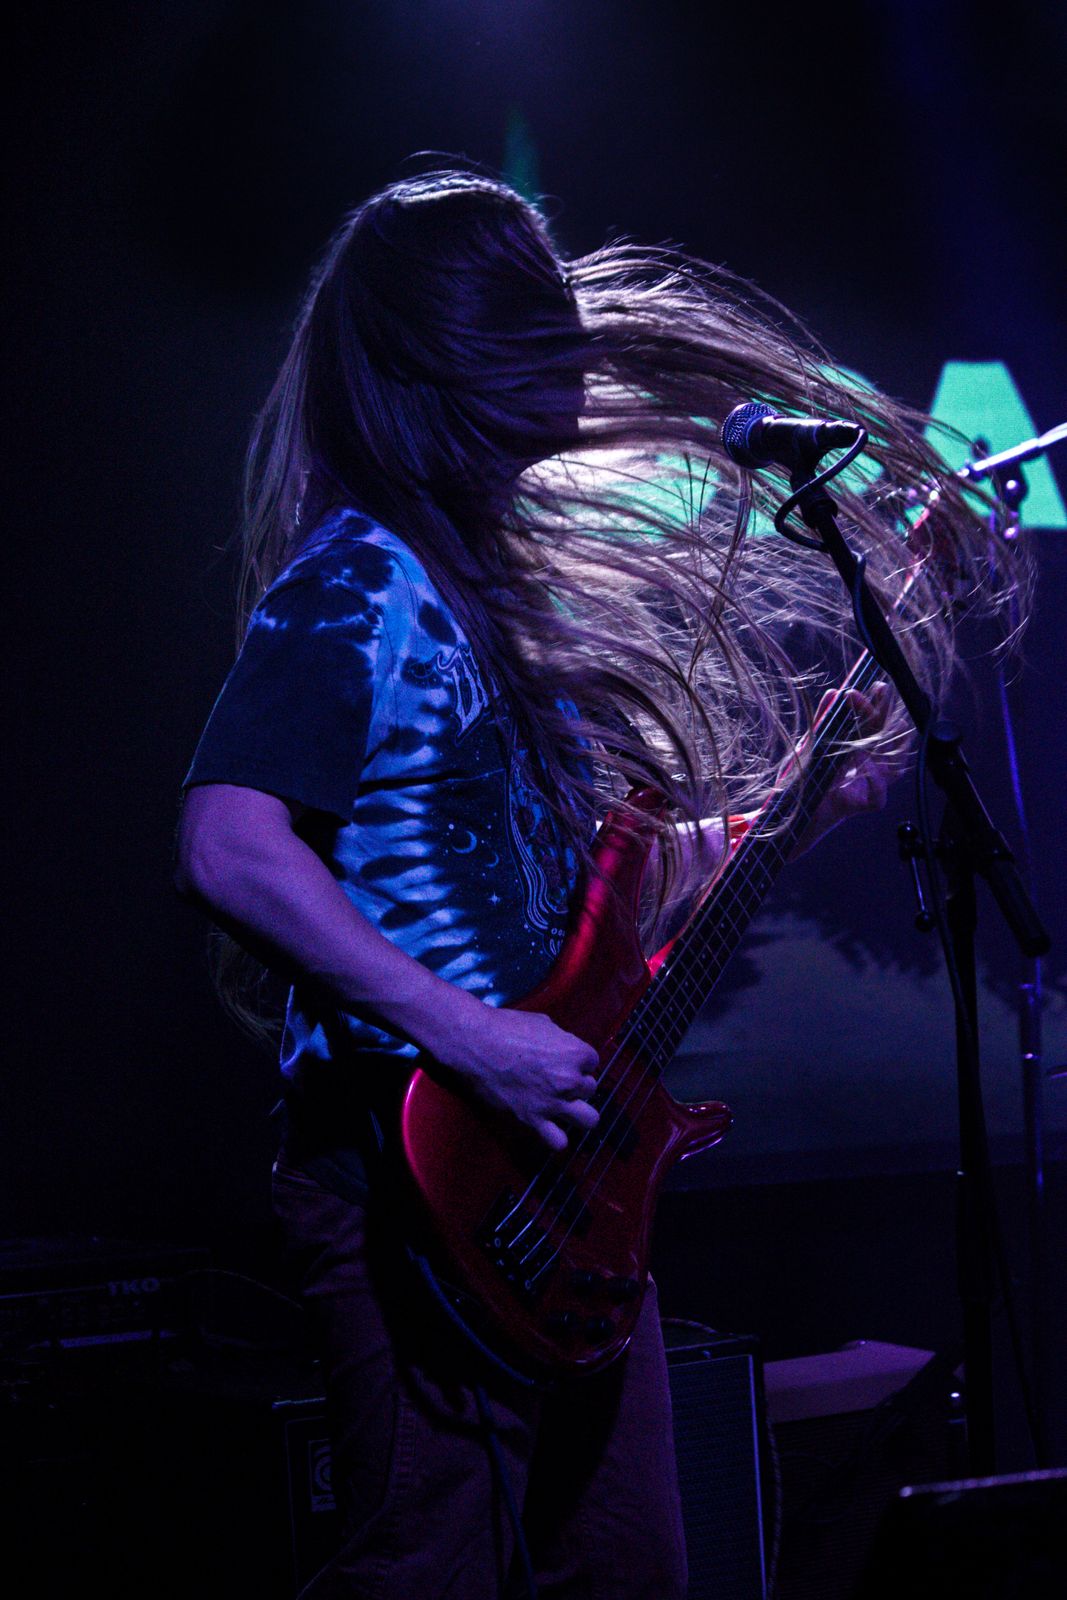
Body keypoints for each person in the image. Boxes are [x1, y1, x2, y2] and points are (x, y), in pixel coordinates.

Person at [175, 168, 1016, 1598]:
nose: (571, 344)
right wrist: (474, 1036)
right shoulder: (357, 583)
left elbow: (601, 892)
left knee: (628, 1570)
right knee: (428, 1566)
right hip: (407, 1171)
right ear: (453, 357)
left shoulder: (509, 606)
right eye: (531, 318)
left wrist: (793, 810)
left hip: (560, 1184)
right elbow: (228, 844)